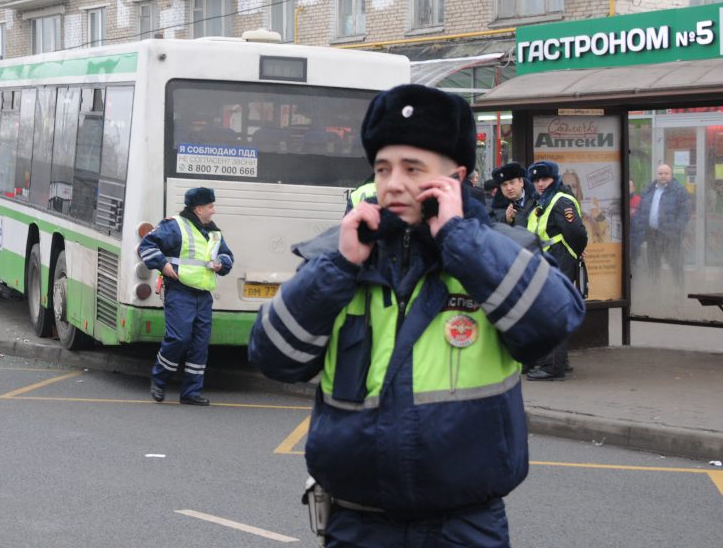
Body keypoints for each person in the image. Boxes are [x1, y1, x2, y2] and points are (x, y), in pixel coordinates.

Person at [248, 84, 584, 546]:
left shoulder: (498, 251)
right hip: (357, 523)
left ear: (457, 176)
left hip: (463, 526)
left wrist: (460, 240)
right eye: (383, 168)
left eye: (413, 168)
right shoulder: (342, 256)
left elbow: (556, 320)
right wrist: (339, 268)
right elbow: (272, 355)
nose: (393, 184)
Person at [139, 187, 234, 406]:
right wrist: (162, 264)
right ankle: (159, 379)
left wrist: (221, 263)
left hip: (203, 296)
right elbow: (147, 244)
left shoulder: (214, 231)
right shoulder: (174, 226)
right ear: (199, 209)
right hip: (180, 292)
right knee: (179, 338)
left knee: (200, 344)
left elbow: (227, 256)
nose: (214, 210)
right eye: (211, 206)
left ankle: (191, 392)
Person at [525, 161, 588, 381]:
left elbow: (577, 233)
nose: (540, 184)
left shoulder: (561, 200)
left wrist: (572, 253)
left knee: (553, 311)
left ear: (554, 178)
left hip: (558, 259)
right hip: (545, 260)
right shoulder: (542, 200)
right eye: (536, 180)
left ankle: (553, 366)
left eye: (544, 179)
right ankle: (556, 361)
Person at [632, 164, 691, 289]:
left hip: (670, 236)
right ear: (656, 175)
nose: (663, 176)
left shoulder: (679, 190)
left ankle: (679, 297)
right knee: (653, 267)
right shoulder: (648, 190)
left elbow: (685, 213)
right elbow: (641, 211)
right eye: (660, 173)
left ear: (671, 175)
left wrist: (676, 229)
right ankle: (655, 295)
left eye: (666, 173)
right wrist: (640, 229)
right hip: (652, 235)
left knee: (676, 267)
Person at [492, 162, 537, 227]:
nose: (509, 188)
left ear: (521, 182)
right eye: (504, 185)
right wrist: (506, 220)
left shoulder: (538, 200)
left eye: (512, 183)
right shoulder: (495, 209)